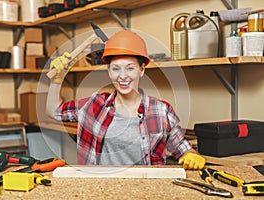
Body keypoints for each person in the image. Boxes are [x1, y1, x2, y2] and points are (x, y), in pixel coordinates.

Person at [46, 30, 205, 169]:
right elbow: (53, 111)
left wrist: (192, 156)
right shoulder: (94, 105)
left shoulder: (161, 112)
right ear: (109, 72)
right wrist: (57, 81)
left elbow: (184, 150)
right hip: (99, 190)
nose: (122, 76)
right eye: (116, 69)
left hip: (146, 191)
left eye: (130, 68)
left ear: (141, 70)